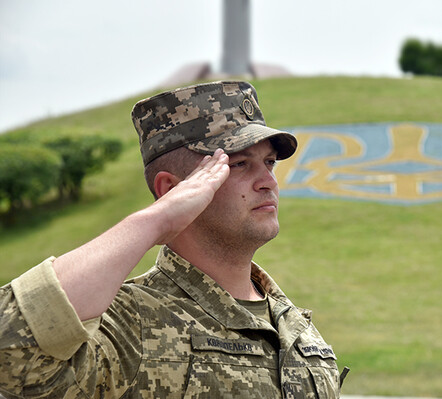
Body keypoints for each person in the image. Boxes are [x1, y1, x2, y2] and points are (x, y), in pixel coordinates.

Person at [0, 81, 347, 398]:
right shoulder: (132, 322)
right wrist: (158, 219)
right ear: (171, 189)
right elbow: (10, 342)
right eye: (239, 165)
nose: (268, 181)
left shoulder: (297, 330)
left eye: (269, 162)